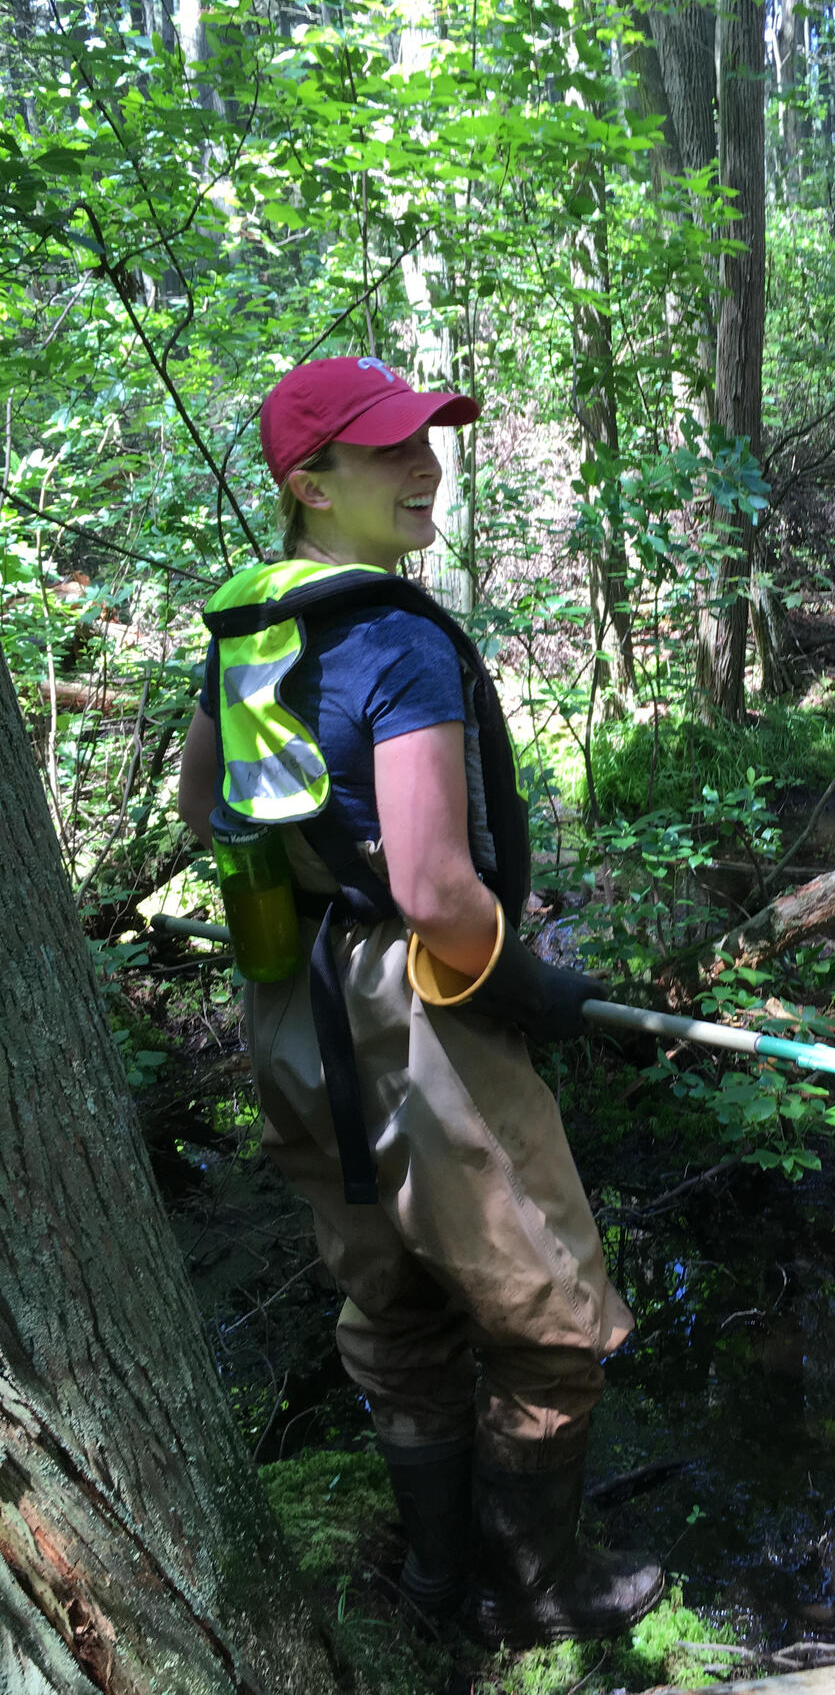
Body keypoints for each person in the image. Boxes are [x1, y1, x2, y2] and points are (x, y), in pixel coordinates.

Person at [176, 355, 663, 1646]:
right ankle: (537, 1591)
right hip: (420, 1013)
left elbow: (200, 812)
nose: (425, 466)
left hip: (289, 1007)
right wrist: (534, 985)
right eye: (389, 450)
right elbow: (439, 886)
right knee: (553, 1316)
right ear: (307, 484)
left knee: (393, 1308)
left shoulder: (247, 627)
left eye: (427, 440)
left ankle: (440, 1583)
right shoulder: (395, 638)